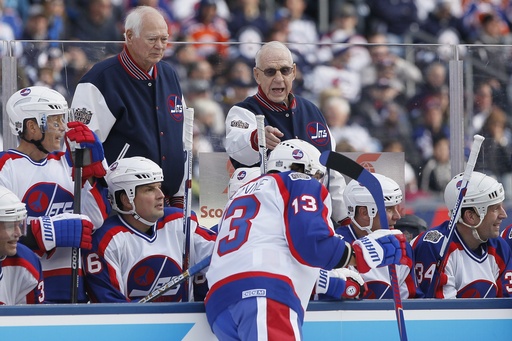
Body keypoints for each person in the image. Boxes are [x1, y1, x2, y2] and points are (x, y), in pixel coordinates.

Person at [205, 139, 410, 340]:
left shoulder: (241, 195)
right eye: (319, 175)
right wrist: (360, 254)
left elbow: (278, 253)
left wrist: (334, 283)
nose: (319, 180)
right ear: (305, 168)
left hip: (219, 307)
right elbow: (312, 244)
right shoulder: (299, 181)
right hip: (265, 295)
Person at [71, 6, 187, 209]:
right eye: (152, 39)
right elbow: (82, 149)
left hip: (166, 202)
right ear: (130, 36)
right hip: (122, 206)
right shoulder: (100, 79)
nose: (160, 46)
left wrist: (179, 192)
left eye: (164, 39)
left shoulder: (170, 74)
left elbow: (181, 139)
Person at [2, 86, 108, 303]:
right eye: (55, 121)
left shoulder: (69, 159)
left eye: (63, 120)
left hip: (71, 282)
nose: (63, 129)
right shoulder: (5, 165)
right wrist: (41, 232)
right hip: (22, 284)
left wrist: (92, 175)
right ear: (31, 126)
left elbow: (96, 220)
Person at [224, 41, 348, 224]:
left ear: (294, 72)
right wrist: (255, 139)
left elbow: (331, 172)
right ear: (257, 75)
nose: (279, 78)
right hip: (269, 222)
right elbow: (236, 147)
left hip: (317, 220)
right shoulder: (243, 111)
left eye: (285, 70)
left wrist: (344, 220)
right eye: (270, 72)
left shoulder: (312, 110)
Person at [83, 156, 216, 303]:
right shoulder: (105, 240)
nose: (161, 195)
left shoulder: (180, 221)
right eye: (149, 189)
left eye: (159, 187)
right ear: (126, 199)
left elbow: (221, 255)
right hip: (137, 325)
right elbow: (113, 309)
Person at [412, 171, 512, 298]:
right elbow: (441, 313)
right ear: (470, 216)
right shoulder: (435, 248)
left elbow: (505, 307)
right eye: (495, 208)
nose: (504, 215)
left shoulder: (499, 247)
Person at [336, 174, 421, 299]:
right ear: (364, 213)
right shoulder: (335, 248)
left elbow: (410, 303)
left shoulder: (400, 248)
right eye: (389, 209)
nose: (397, 216)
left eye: (397, 208)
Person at [0, 186, 44, 305]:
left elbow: (30, 320)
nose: (18, 233)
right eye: (10, 226)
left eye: (19, 224)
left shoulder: (27, 262)